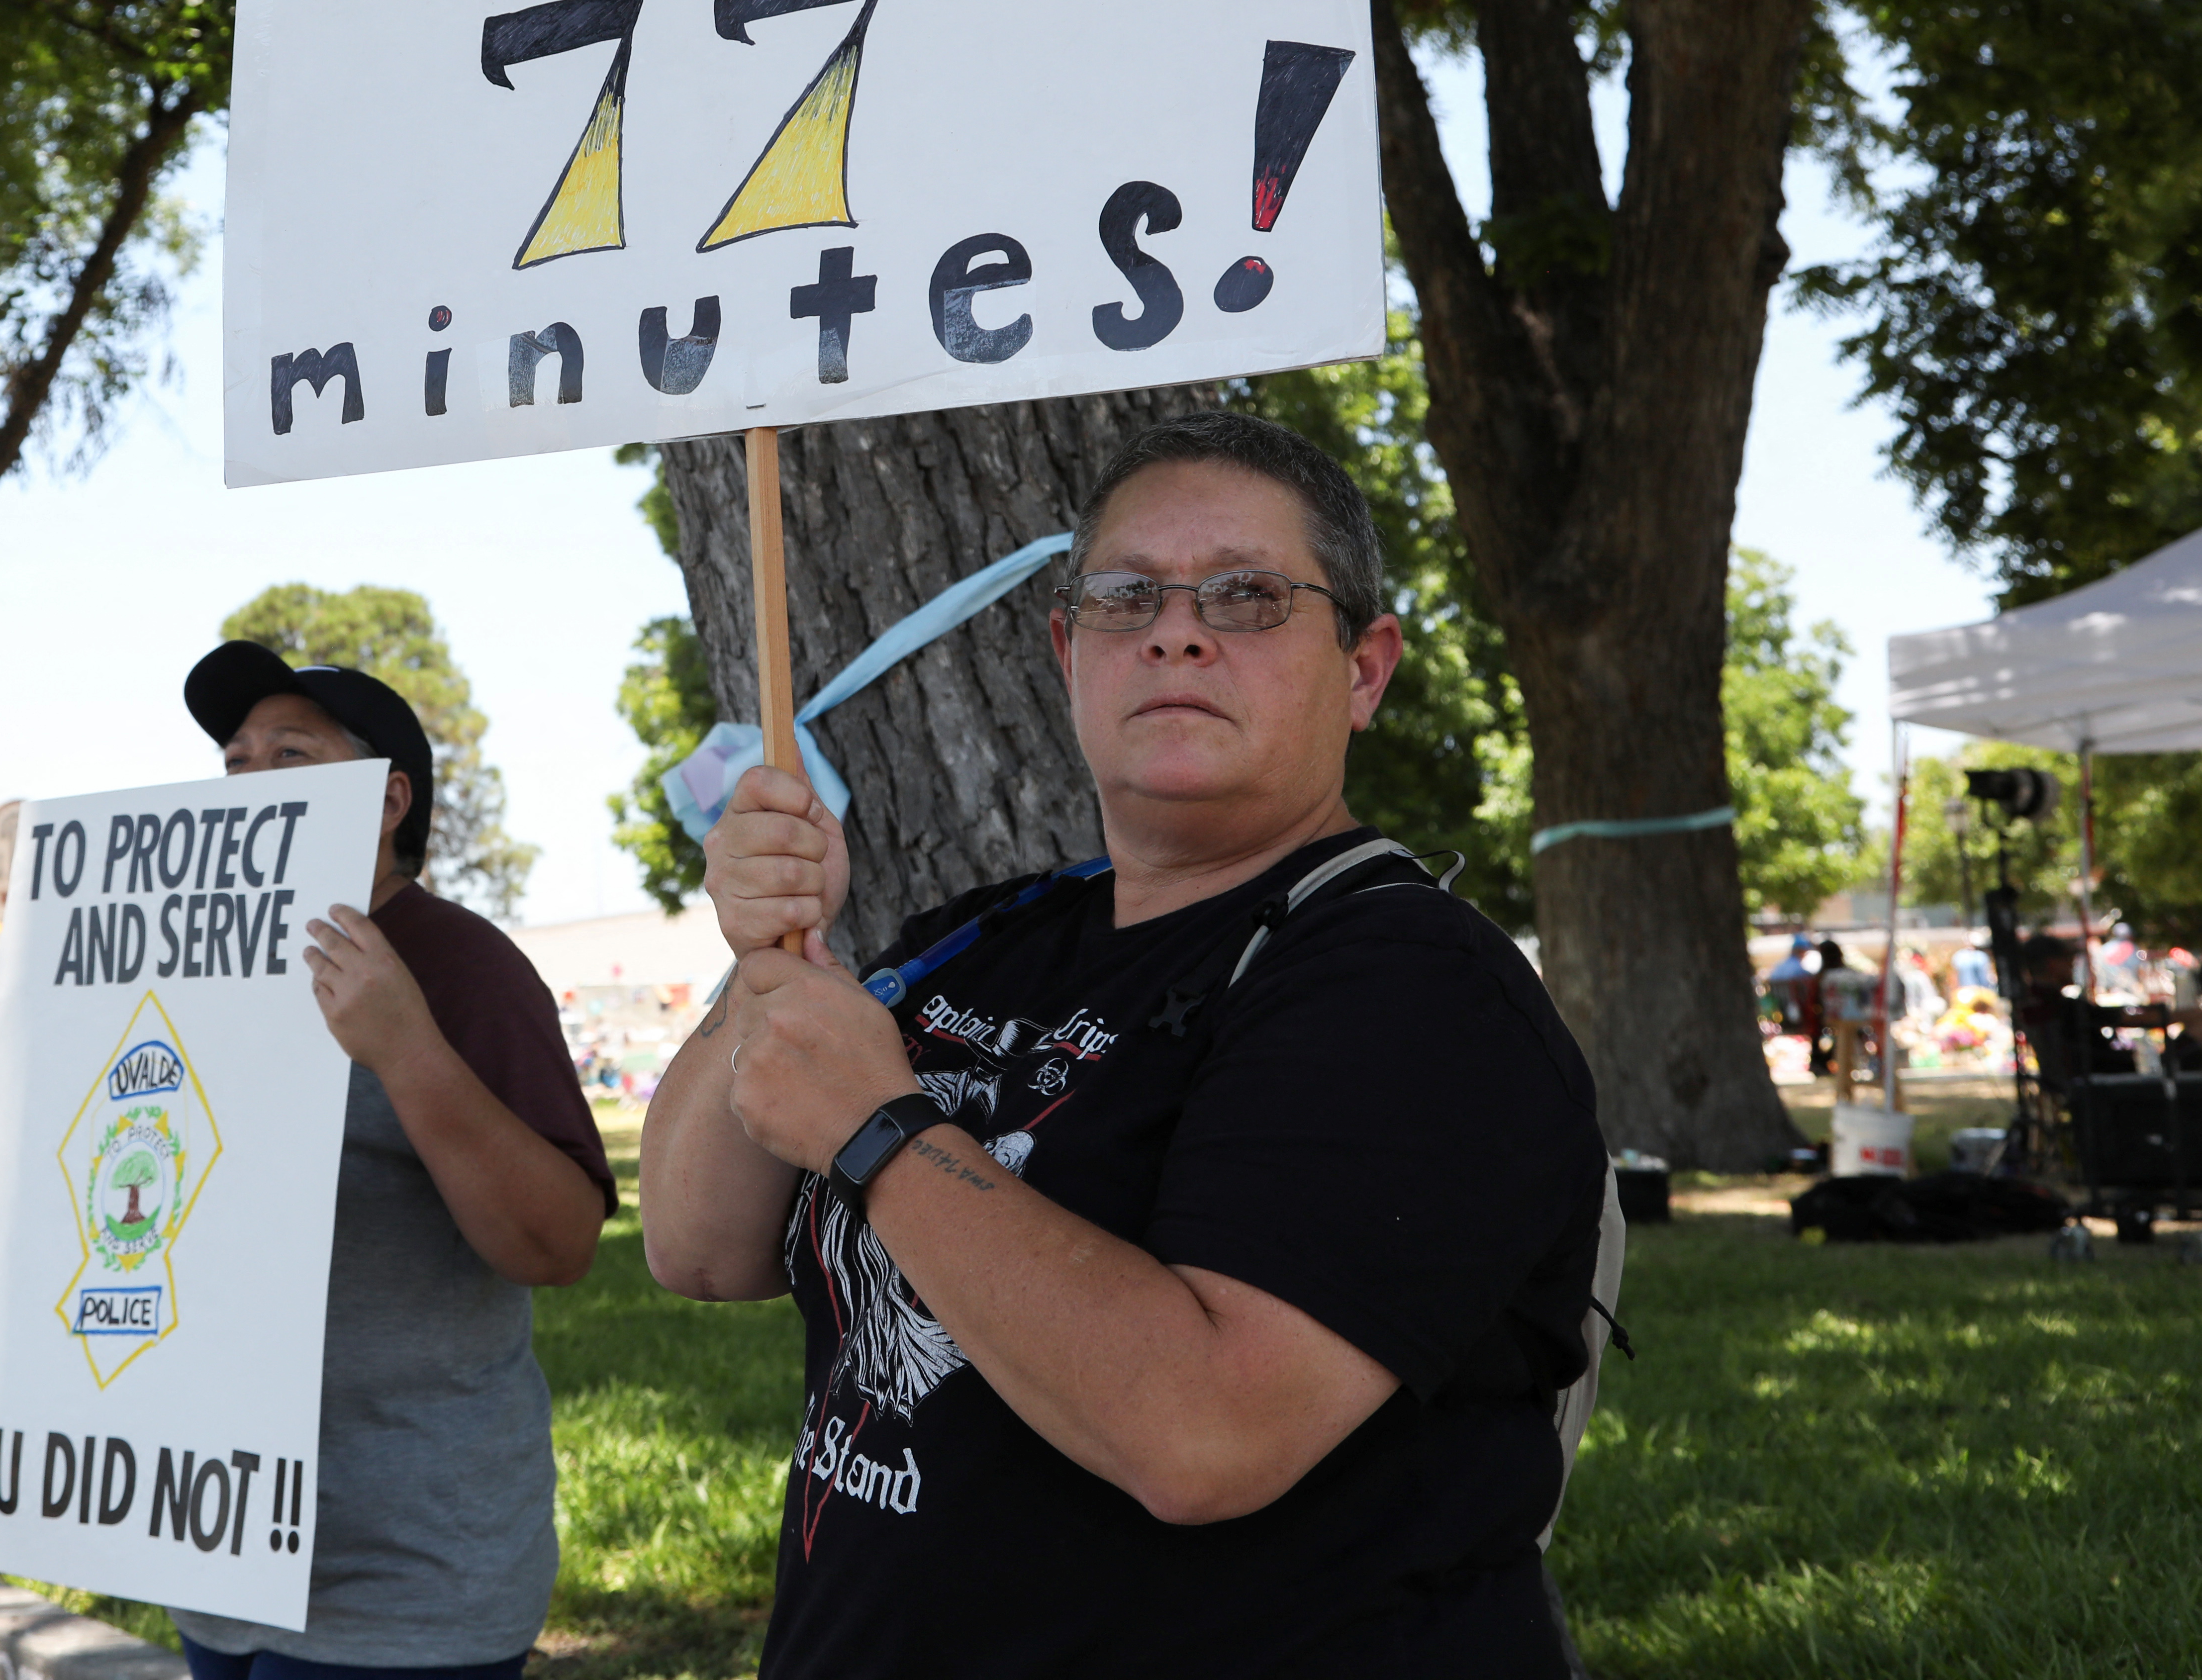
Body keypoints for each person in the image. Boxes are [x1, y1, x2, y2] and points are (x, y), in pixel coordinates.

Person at [638, 409, 1608, 1677]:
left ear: (1365, 668)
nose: (1178, 627)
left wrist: (883, 1128)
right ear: (1067, 653)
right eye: (1125, 593)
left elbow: (1205, 1434)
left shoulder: (1414, 985)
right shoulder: (976, 938)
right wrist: (764, 952)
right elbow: (700, 1246)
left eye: (1251, 595)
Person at [0, 643, 614, 1680]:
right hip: (215, 1552)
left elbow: (557, 1244)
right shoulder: (178, 972)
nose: (251, 782)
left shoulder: (466, 967)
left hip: (406, 1578)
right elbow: (93, 1201)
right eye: (236, 762)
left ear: (387, 797)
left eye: (292, 753)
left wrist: (406, 1047)